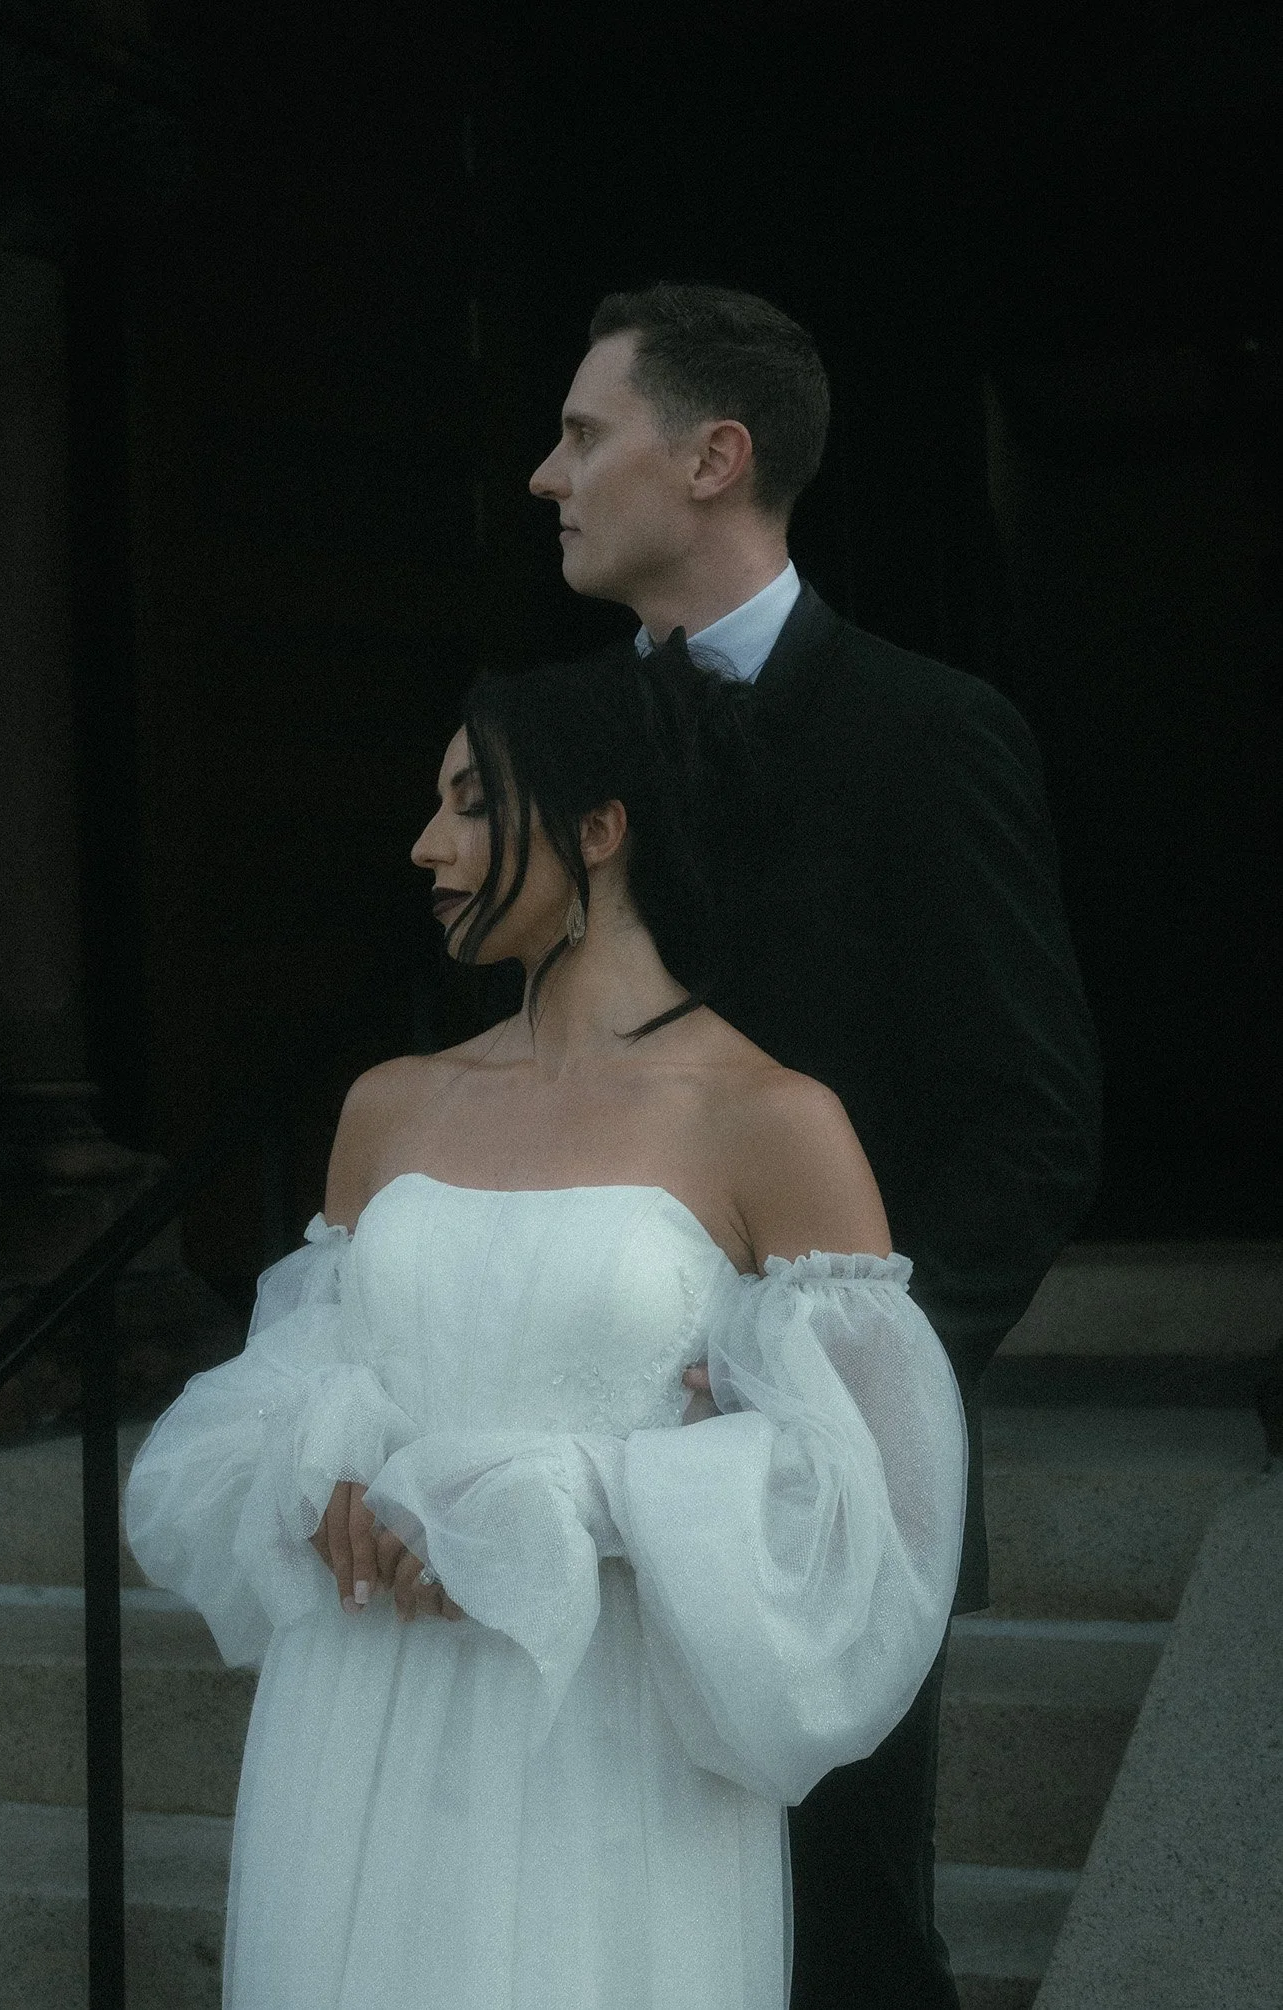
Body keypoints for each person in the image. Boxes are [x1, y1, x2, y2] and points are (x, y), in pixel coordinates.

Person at [125, 643, 968, 2010]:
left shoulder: (771, 1119)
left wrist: (585, 1491)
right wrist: (326, 1459)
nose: (425, 844)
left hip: (605, 1734)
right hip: (362, 1707)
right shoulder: (387, 1104)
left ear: (598, 827)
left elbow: (877, 1510)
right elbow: (290, 1374)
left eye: (469, 802)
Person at [529, 284, 1103, 2008]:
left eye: (579, 434)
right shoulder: (540, 751)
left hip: (830, 1484)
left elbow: (1033, 1120)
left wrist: (843, 1383)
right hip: (564, 1465)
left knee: (840, 1944)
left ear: (716, 458)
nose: (542, 477)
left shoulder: (935, 734)